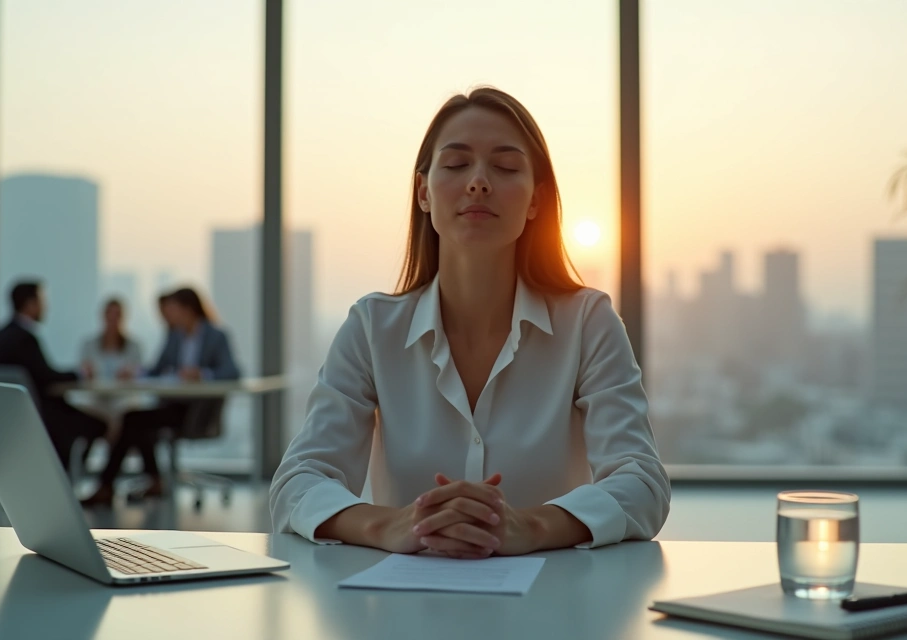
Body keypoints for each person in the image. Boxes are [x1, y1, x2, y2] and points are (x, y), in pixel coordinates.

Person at [268, 87, 670, 559]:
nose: (478, 182)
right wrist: (389, 525)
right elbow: (297, 481)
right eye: (457, 165)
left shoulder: (587, 321)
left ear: (536, 200)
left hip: (556, 605)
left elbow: (642, 481)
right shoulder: (372, 327)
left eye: (505, 167)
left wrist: (532, 526)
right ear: (423, 191)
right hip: (402, 607)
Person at [80, 287, 241, 507]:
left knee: (134, 421)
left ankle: (114, 486)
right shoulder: (174, 336)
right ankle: (145, 481)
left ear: (188, 309)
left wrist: (202, 374)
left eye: (172, 310)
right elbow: (157, 369)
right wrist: (135, 372)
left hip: (197, 412)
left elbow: (232, 372)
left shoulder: (216, 336)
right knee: (134, 419)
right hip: (172, 405)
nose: (167, 316)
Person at [0, 280, 107, 472]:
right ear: (30, 304)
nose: (45, 307)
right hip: (37, 414)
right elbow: (46, 377)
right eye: (42, 301)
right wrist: (81, 373)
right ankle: (66, 479)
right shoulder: (25, 339)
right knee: (98, 425)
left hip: (2, 417)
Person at [79, 298, 143, 381]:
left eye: (117, 315)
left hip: (123, 393)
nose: (112, 318)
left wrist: (130, 374)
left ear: (123, 318)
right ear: (103, 316)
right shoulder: (88, 346)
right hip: (95, 393)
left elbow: (139, 372)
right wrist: (86, 373)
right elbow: (82, 371)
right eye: (109, 314)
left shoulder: (134, 347)